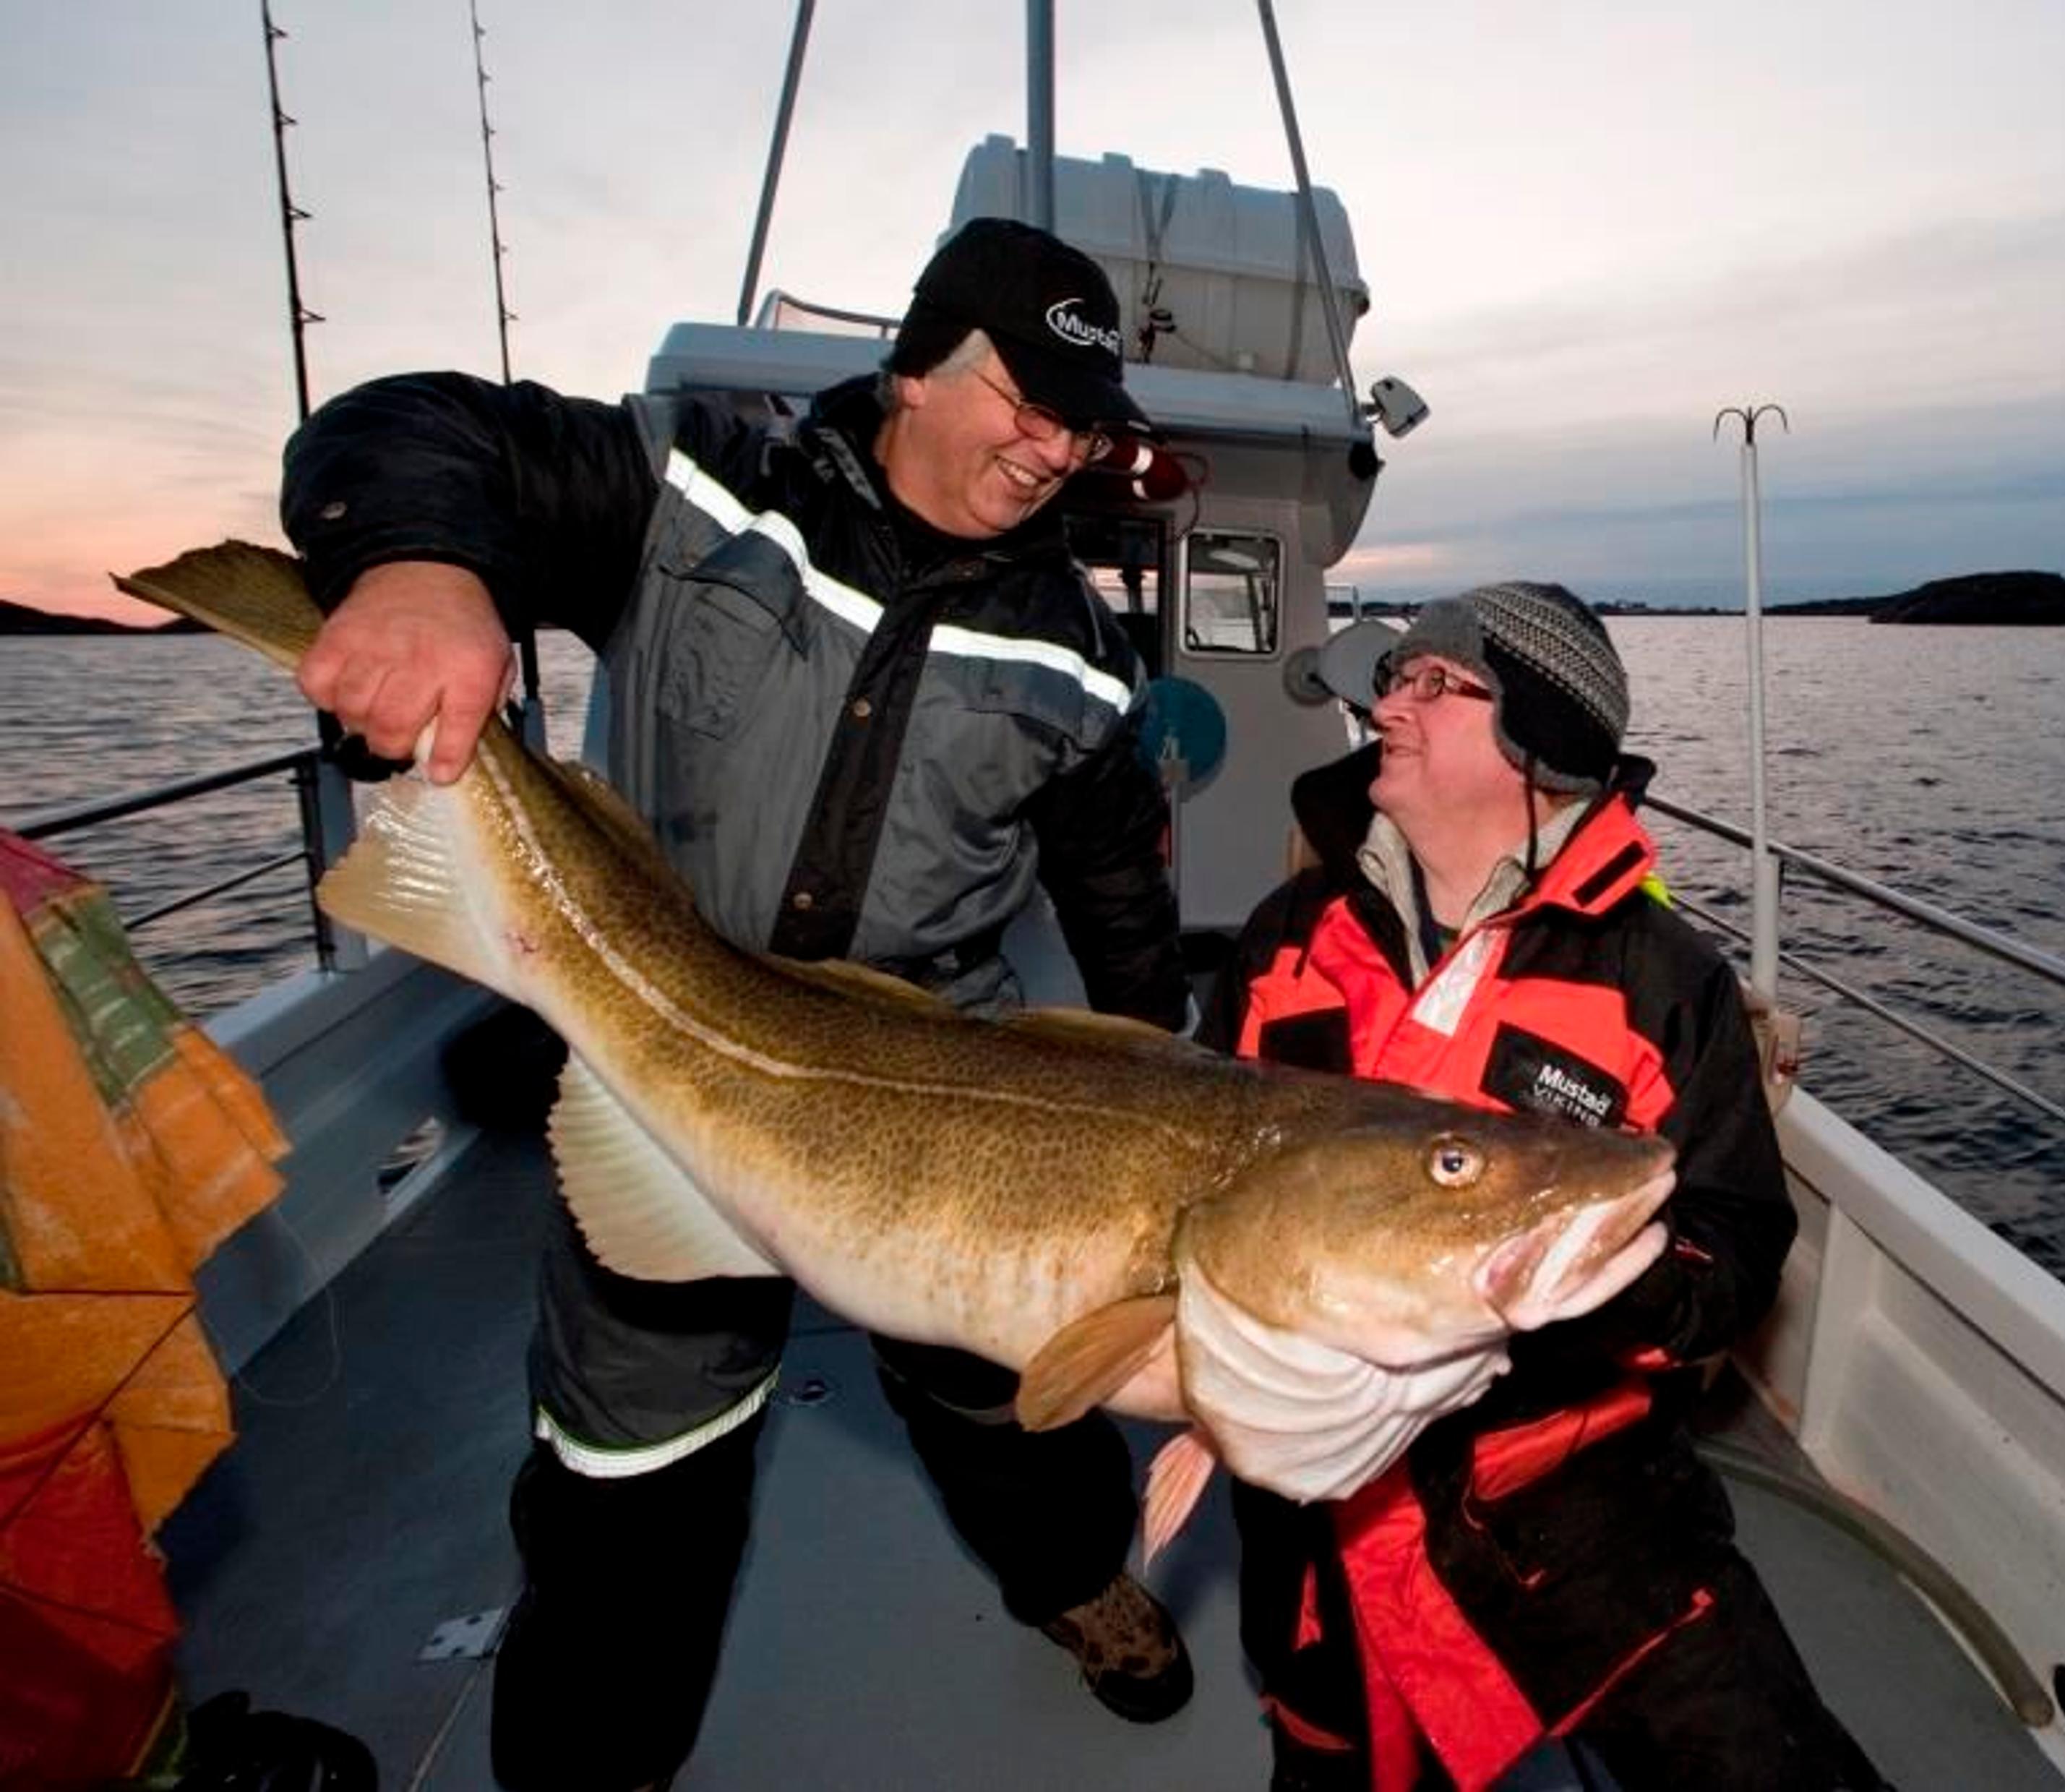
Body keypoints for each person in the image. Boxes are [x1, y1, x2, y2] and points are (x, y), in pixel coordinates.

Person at [279, 218, 1194, 1791]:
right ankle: (595, 1762)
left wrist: (1165, 1064)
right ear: (920, 364)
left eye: (1081, 426)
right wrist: (425, 565)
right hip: (667, 1051)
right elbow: (403, 429)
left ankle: (1072, 1584)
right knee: (628, 1489)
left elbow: (1117, 887)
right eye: (1026, 403)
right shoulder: (701, 484)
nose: (1055, 453)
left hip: (943, 1099)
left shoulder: (1086, 651)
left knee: (1021, 1412)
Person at [1202, 581, 1888, 1791]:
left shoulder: (1660, 980)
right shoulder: (1285, 936)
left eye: (1431, 683)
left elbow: (1732, 1243)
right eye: (1394, 678)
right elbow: (1202, 1166)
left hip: (1578, 1510)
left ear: (1540, 744)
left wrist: (1588, 1291)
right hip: (1316, 1513)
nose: (1387, 704)